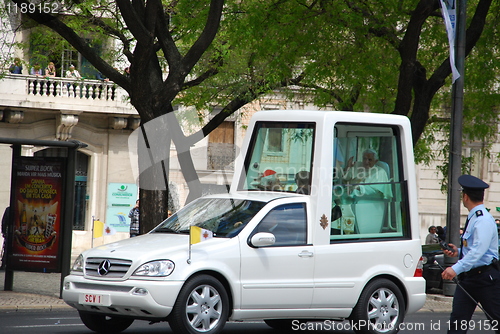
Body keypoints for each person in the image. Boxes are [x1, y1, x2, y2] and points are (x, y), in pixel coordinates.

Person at [441, 175, 500, 333]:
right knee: (457, 323)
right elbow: (472, 249)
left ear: (465, 197)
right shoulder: (475, 217)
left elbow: (478, 252)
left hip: (485, 279)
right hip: (469, 278)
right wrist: (457, 252)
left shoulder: (483, 221)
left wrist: (455, 268)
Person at [342, 149, 392, 233]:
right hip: (350, 198)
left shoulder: (380, 172)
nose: (366, 162)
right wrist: (348, 167)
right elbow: (345, 179)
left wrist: (359, 188)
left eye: (369, 160)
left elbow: (376, 191)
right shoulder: (358, 166)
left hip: (368, 202)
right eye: (364, 159)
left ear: (376, 161)